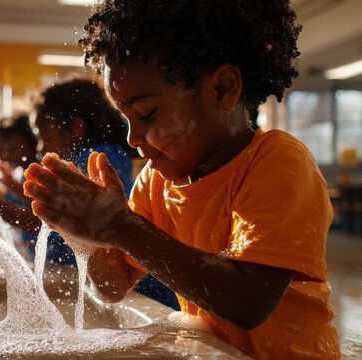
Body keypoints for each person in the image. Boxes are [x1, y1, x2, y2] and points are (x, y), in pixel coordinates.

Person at [22, 1, 339, 359]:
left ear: (221, 89)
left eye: (146, 114)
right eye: (126, 118)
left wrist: (119, 225)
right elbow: (113, 287)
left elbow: (248, 303)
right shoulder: (157, 182)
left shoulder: (278, 162)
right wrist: (87, 237)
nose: (132, 139)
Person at [29, 76, 179, 310]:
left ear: (77, 127)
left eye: (46, 138)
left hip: (150, 296)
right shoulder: (130, 167)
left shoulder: (97, 159)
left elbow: (111, 229)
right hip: (129, 291)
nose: (40, 148)